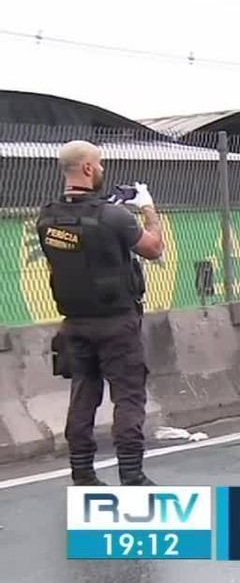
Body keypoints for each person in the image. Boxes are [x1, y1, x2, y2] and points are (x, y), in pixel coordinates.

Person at [36, 140, 163, 486]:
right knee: (128, 397)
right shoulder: (114, 217)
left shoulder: (47, 217)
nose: (103, 170)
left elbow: (79, 244)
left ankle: (82, 472)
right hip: (116, 323)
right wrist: (148, 209)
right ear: (89, 168)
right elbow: (153, 249)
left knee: (83, 394)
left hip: (74, 323)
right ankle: (132, 476)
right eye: (101, 164)